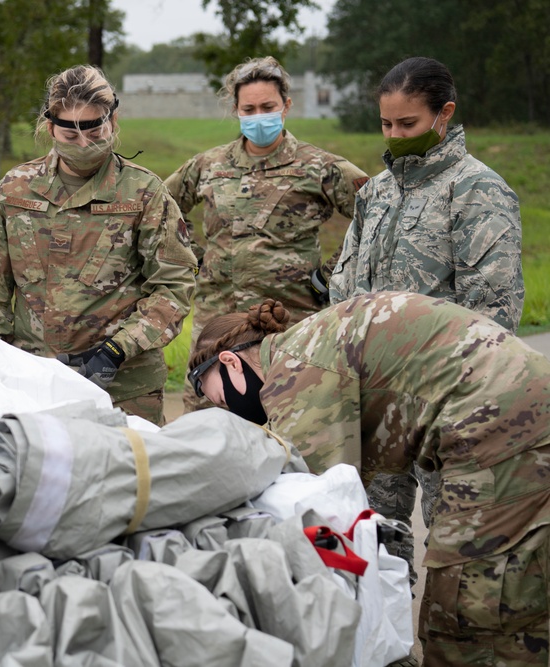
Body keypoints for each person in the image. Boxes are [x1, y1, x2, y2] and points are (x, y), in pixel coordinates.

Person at [187, 292, 550, 666]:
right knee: (520, 596)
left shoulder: (293, 376)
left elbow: (320, 511)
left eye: (221, 400)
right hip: (515, 409)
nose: (231, 410)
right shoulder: (308, 345)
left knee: (467, 615)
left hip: (500, 428)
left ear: (230, 362)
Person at [329, 56, 526, 580]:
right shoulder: (375, 192)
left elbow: (495, 313)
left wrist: (449, 397)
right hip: (376, 404)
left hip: (446, 404)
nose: (395, 135)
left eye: (408, 124)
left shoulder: (478, 192)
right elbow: (345, 289)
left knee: (457, 553)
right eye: (386, 124)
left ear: (445, 115)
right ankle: (391, 655)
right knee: (374, 542)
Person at [0, 65, 197, 425]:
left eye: (95, 130)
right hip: (35, 382)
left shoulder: (144, 194)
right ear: (49, 127)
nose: (84, 144)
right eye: (70, 134)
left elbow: (173, 288)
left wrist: (118, 349)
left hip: (124, 389)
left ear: (113, 121)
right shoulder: (15, 190)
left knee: (132, 476)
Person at [163, 56, 368, 412]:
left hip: (287, 323)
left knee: (293, 417)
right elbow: (161, 208)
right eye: (249, 108)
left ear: (286, 106)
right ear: (236, 110)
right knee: (208, 420)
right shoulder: (208, 165)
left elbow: (377, 212)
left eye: (268, 107)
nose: (259, 116)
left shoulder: (320, 166)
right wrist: (194, 258)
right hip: (217, 325)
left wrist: (334, 272)